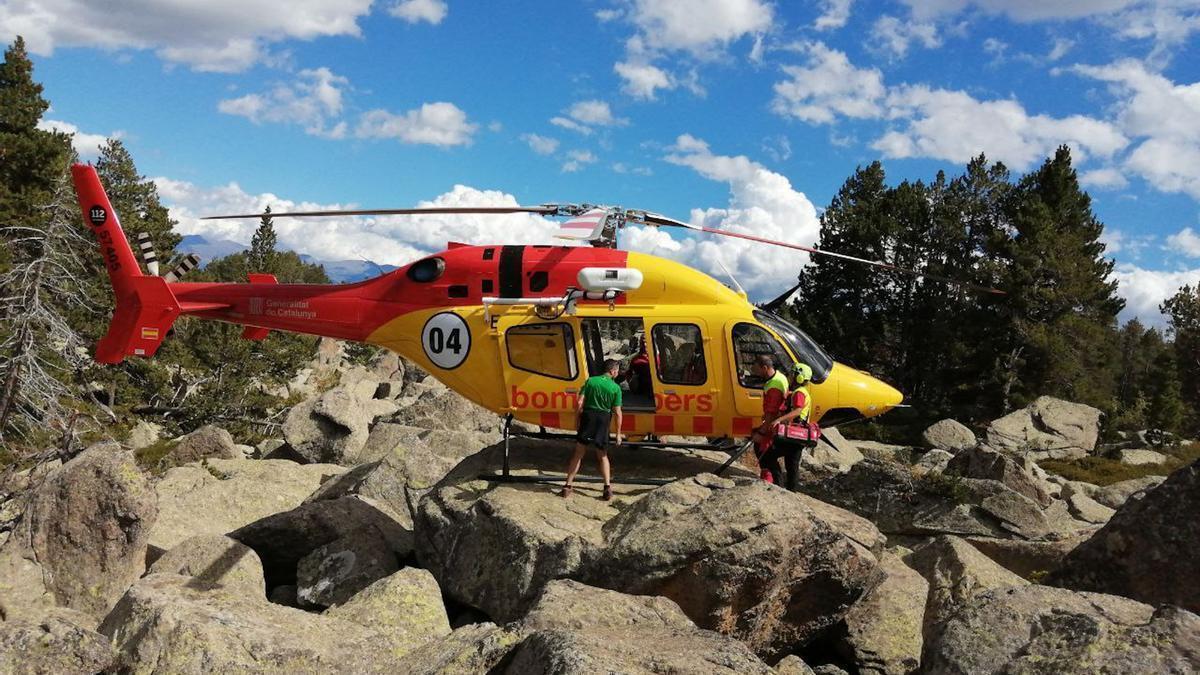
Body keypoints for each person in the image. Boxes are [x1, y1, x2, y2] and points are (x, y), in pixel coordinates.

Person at [562, 359, 624, 501]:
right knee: (602, 455)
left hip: (588, 416)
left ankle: (567, 486)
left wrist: (576, 421)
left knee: (578, 453)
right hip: (603, 418)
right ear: (612, 371)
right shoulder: (615, 388)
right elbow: (618, 413)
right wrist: (619, 434)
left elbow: (579, 403)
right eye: (617, 371)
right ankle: (607, 487)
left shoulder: (590, 381)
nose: (617, 373)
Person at [756, 362, 816, 491]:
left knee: (768, 455)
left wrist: (779, 420)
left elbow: (797, 411)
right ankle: (791, 491)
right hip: (799, 437)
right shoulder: (802, 392)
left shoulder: (798, 393)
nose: (789, 376)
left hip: (793, 434)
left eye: (792, 374)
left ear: (799, 377)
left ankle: (777, 484)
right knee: (792, 466)